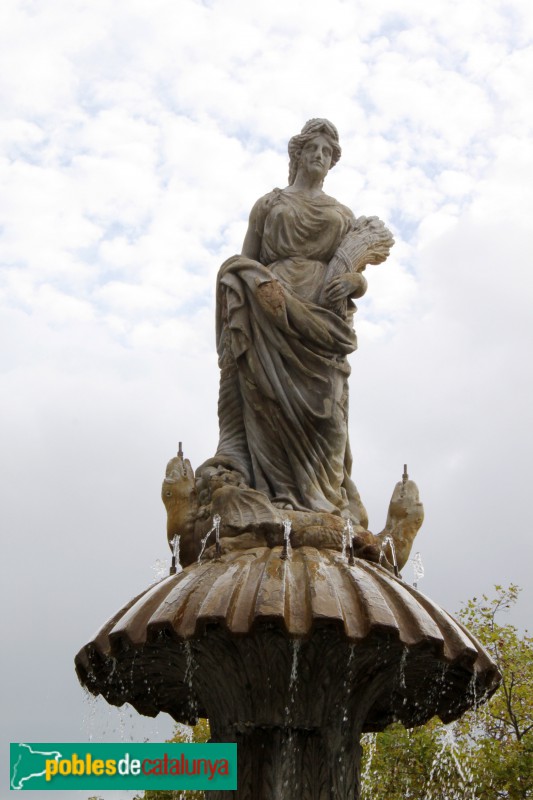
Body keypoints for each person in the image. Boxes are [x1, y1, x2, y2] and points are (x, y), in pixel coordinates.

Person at [197, 119, 392, 524]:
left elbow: (356, 273)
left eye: (327, 152)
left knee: (329, 414)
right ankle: (272, 494)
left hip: (325, 314)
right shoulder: (269, 205)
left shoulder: (342, 213)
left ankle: (327, 500)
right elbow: (246, 260)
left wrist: (356, 281)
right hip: (272, 308)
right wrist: (247, 285)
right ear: (298, 154)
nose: (320, 156)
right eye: (313, 149)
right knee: (267, 398)